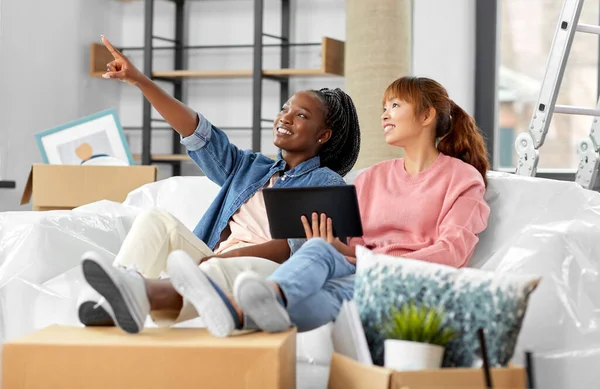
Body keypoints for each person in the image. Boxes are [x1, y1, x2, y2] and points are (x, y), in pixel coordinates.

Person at [158, 75, 492, 337]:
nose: (384, 114)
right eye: (384, 107)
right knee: (318, 252)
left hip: (404, 277)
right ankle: (251, 308)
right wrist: (339, 246)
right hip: (361, 270)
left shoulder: (462, 180)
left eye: (395, 105)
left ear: (427, 115)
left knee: (323, 273)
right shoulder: (372, 178)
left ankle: (246, 307)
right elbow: (351, 243)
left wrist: (365, 259)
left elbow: (452, 251)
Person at [77, 36, 361, 335]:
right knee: (154, 219)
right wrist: (139, 80)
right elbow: (197, 132)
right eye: (285, 109)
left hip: (263, 275)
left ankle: (141, 293)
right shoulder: (250, 167)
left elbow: (293, 248)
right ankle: (112, 299)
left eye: (301, 115)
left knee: (213, 270)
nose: (285, 117)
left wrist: (226, 256)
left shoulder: (326, 182)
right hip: (212, 257)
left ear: (323, 135)